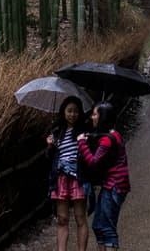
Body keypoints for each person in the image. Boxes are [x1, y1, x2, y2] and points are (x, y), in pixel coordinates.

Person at [78, 102, 130, 250]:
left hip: (114, 186)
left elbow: (93, 162)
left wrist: (82, 143)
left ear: (103, 117)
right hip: (111, 185)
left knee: (107, 228)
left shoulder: (108, 139)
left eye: (95, 114)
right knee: (98, 226)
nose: (92, 117)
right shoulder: (112, 134)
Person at [46, 97, 91, 251]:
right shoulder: (57, 131)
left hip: (78, 177)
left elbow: (88, 155)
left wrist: (85, 142)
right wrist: (50, 146)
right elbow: (50, 158)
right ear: (63, 112)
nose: (72, 114)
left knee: (80, 218)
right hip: (60, 177)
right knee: (62, 219)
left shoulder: (84, 131)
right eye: (69, 111)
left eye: (76, 111)